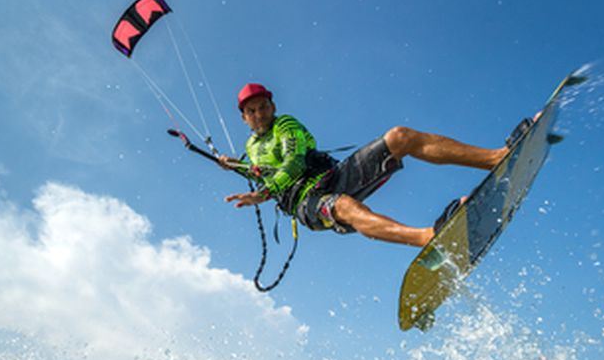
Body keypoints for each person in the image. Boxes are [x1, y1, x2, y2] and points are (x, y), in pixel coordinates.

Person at [218, 83, 511, 247]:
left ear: (273, 106)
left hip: (332, 176)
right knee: (343, 207)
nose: (259, 114)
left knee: (400, 137)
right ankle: (427, 237)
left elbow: (293, 162)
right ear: (243, 117)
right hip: (306, 202)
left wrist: (263, 194)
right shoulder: (250, 148)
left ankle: (494, 159)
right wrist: (238, 167)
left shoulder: (285, 124)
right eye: (251, 111)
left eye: (264, 107)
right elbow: (264, 173)